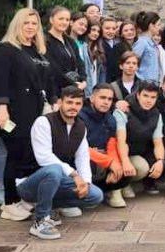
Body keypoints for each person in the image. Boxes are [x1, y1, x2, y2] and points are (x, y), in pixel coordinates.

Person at [0, 8, 57, 221]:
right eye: (26, 23)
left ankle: (19, 198)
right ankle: (9, 203)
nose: (30, 27)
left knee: (27, 155)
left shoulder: (37, 51)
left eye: (34, 23)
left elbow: (48, 80)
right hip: (11, 114)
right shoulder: (6, 49)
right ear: (17, 24)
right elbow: (0, 81)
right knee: (14, 154)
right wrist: (2, 108)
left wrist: (54, 102)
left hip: (32, 113)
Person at [16, 86, 103, 239]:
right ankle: (40, 221)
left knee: (95, 195)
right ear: (60, 103)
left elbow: (82, 156)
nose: (73, 107)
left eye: (78, 103)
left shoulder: (80, 126)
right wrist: (75, 175)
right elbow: (44, 158)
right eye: (69, 102)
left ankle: (50, 207)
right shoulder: (44, 122)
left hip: (57, 179)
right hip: (28, 182)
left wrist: (85, 182)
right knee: (54, 169)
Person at [78, 83, 130, 208]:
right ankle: (83, 196)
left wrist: (115, 165)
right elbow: (79, 147)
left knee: (125, 170)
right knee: (89, 163)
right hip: (84, 159)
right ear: (92, 98)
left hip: (102, 158)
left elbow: (111, 144)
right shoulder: (80, 117)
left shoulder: (111, 119)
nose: (106, 102)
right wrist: (109, 162)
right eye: (102, 98)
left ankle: (103, 192)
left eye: (109, 99)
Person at [114, 80, 165, 196]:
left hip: (135, 153)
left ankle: (125, 183)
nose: (149, 100)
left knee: (143, 168)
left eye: (153, 97)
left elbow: (158, 143)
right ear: (138, 95)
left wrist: (160, 161)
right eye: (145, 96)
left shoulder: (157, 115)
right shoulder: (123, 111)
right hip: (116, 153)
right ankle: (115, 188)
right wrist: (125, 161)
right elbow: (121, 141)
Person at [45, 6, 87, 95]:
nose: (64, 22)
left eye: (67, 20)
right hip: (55, 90)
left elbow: (79, 62)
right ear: (51, 20)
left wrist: (83, 80)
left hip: (75, 88)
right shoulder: (45, 41)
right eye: (61, 19)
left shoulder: (70, 41)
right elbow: (53, 68)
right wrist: (73, 84)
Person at [132, 11, 162, 82]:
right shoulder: (142, 43)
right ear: (151, 25)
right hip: (144, 83)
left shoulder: (153, 43)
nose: (160, 28)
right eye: (158, 25)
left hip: (154, 83)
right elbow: (132, 61)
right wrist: (141, 80)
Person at [81, 20, 106, 98]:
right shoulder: (82, 47)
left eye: (98, 31)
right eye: (93, 30)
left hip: (95, 88)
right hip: (84, 89)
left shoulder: (98, 49)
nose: (96, 33)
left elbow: (101, 73)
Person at [100, 17, 118, 82]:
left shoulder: (118, 44)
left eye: (114, 29)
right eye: (107, 28)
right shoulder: (99, 44)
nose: (111, 31)